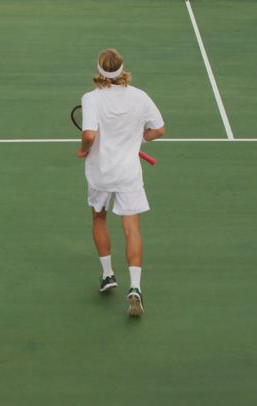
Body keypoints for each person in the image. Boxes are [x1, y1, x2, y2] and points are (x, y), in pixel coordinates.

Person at [77, 48, 165, 317]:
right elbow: (159, 129)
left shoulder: (91, 99)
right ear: (122, 69)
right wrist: (139, 139)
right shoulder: (140, 96)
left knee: (99, 219)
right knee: (132, 229)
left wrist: (83, 149)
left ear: (99, 70)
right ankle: (135, 288)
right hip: (128, 173)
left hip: (101, 172)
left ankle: (107, 275)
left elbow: (90, 135)